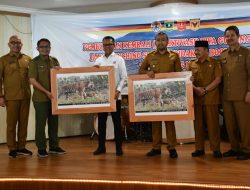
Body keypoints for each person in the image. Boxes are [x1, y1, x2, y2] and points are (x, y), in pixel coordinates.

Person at [139, 32, 181, 158]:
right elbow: (140, 70)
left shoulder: (174, 56)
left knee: (169, 122)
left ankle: (172, 148)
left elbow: (179, 74)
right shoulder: (150, 56)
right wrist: (147, 72)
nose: (160, 42)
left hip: (168, 95)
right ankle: (156, 147)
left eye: (163, 40)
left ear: (167, 42)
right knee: (155, 122)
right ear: (155, 42)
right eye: (158, 40)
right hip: (155, 94)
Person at [29, 38, 66, 158]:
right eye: (42, 47)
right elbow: (32, 80)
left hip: (54, 98)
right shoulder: (34, 62)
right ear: (37, 48)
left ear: (50, 48)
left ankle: (54, 146)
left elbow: (60, 78)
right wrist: (46, 92)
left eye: (47, 46)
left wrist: (60, 72)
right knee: (41, 124)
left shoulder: (54, 61)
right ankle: (41, 148)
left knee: (54, 123)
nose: (44, 49)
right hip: (40, 99)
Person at [93, 36, 127, 156]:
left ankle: (119, 148)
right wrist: (93, 71)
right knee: (101, 123)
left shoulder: (119, 60)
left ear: (114, 45)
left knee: (117, 122)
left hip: (114, 97)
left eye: (109, 44)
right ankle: (101, 147)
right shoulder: (98, 61)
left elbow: (124, 78)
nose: (107, 47)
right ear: (102, 46)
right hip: (102, 98)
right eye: (105, 45)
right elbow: (94, 78)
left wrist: (118, 90)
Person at [188, 40, 222, 158]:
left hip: (211, 98)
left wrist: (205, 90)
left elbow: (218, 79)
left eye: (198, 50)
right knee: (198, 126)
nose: (195, 52)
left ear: (206, 50)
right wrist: (194, 87)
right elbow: (187, 81)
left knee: (213, 125)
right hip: (196, 100)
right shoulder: (191, 64)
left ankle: (216, 149)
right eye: (195, 50)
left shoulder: (215, 62)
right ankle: (199, 148)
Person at [220, 26, 250, 160]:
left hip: (242, 96)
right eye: (227, 36)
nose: (229, 38)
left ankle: (247, 149)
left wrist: (249, 91)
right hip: (227, 96)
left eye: (232, 35)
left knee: (244, 125)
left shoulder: (246, 53)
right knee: (230, 124)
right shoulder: (223, 54)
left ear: (238, 36)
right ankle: (234, 148)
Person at [0, 35, 32, 158]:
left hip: (25, 96)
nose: (16, 45)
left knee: (24, 123)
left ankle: (22, 147)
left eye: (18, 43)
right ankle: (12, 148)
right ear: (9, 45)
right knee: (11, 124)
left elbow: (34, 76)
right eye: (13, 43)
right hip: (11, 97)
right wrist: (0, 96)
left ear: (21, 44)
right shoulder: (3, 60)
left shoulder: (28, 59)